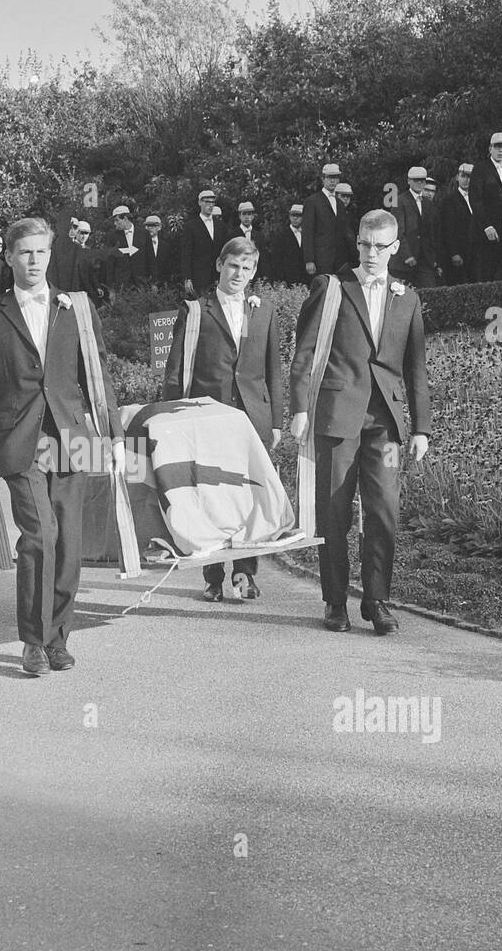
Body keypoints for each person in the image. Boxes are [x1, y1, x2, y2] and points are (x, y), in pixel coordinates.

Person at [0, 216, 125, 676]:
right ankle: (32, 642)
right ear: (9, 257)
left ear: (50, 256)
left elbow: (97, 377)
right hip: (20, 440)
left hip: (71, 438)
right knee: (41, 535)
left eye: (41, 252)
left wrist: (112, 435)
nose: (34, 261)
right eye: (25, 252)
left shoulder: (75, 308)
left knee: (70, 542)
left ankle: (59, 637)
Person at [289, 209, 431, 636]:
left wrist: (421, 427)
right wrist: (298, 409)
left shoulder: (407, 297)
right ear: (358, 244)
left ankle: (377, 601)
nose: (372, 253)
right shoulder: (331, 288)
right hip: (335, 418)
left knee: (384, 510)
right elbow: (305, 352)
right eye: (365, 245)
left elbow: (416, 368)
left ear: (395, 248)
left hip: (385, 424)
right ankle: (335, 602)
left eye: (380, 246)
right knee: (332, 514)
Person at [162, 236, 282, 603]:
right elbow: (177, 367)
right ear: (219, 265)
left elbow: (273, 369)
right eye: (233, 266)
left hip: (252, 417)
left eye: (246, 269)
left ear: (254, 272)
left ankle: (245, 574)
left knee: (250, 497)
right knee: (210, 496)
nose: (238, 274)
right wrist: (171, 418)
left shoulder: (264, 310)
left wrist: (275, 419)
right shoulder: (197, 310)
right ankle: (213, 575)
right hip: (208, 416)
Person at [469, 132, 502, 280]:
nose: (500, 151)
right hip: (485, 231)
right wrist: (487, 226)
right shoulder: (480, 168)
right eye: (497, 147)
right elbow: (475, 200)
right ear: (490, 148)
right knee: (486, 275)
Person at [393, 165, 442, 287]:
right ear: (409, 181)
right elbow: (398, 231)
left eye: (422, 180)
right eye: (416, 180)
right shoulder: (400, 201)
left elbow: (433, 234)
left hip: (425, 260)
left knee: (429, 294)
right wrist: (407, 255)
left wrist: (434, 259)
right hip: (405, 262)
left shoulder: (428, 204)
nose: (420, 183)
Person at [178, 188, 226, 296]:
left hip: (218, 277)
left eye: (213, 202)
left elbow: (224, 252)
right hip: (199, 278)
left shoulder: (220, 226)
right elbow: (186, 254)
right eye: (207, 202)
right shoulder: (190, 226)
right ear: (200, 203)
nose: (210, 205)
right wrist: (187, 278)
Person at [304, 163, 346, 279]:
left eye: (336, 177)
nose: (333, 181)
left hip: (339, 260)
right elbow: (307, 232)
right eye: (329, 177)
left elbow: (343, 232)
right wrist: (309, 260)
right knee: (322, 291)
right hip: (320, 259)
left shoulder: (340, 204)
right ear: (323, 179)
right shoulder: (312, 202)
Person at [438, 164, 477, 282]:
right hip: (459, 253)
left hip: (477, 253)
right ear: (457, 177)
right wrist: (454, 253)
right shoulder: (449, 200)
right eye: (463, 176)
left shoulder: (480, 199)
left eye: (470, 177)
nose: (466, 180)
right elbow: (447, 229)